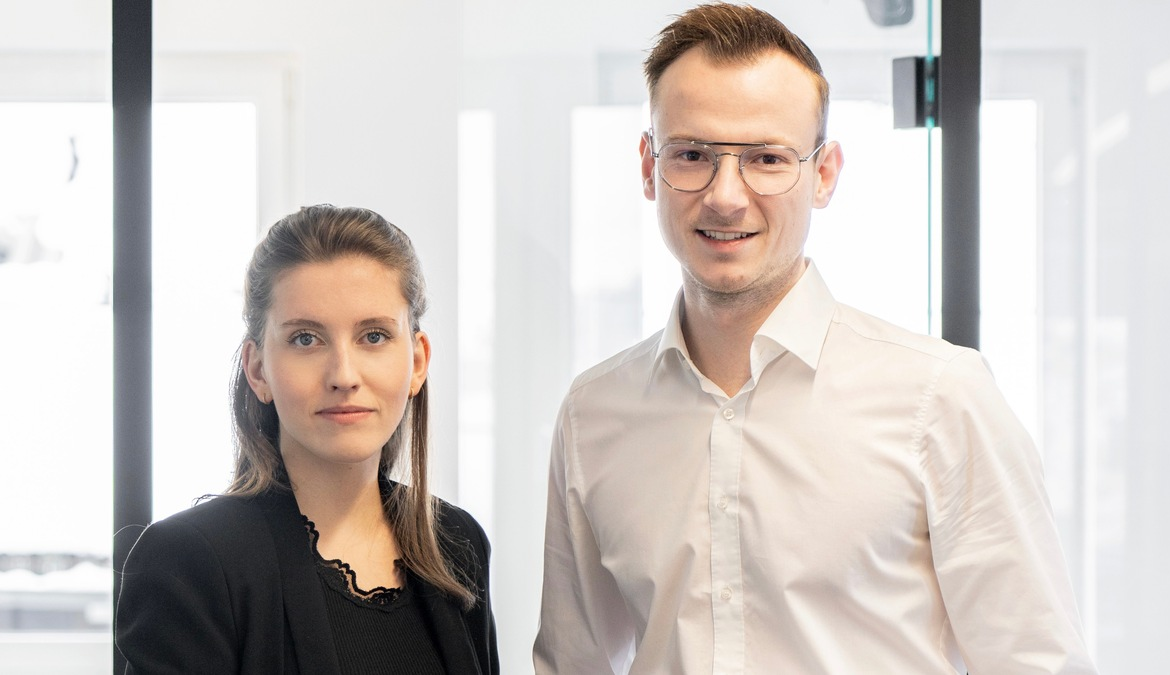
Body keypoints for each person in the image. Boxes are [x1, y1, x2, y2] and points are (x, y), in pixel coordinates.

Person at [534, 4, 1096, 674]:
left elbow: (1035, 661)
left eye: (767, 159)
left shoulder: (941, 398)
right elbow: (573, 665)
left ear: (824, 173)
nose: (725, 195)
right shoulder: (593, 416)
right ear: (650, 167)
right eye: (691, 155)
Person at [116, 205, 498, 674]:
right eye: (305, 340)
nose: (343, 375)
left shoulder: (456, 543)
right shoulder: (189, 562)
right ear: (257, 369)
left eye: (374, 336)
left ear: (417, 361)